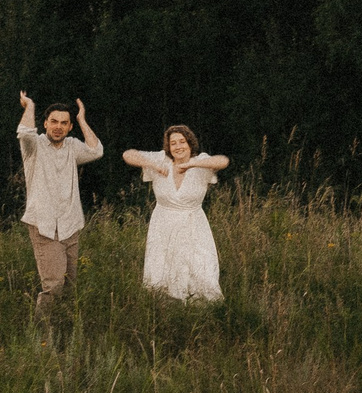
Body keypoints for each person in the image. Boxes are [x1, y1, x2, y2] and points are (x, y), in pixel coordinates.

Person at [16, 91, 102, 322]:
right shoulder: (34, 147)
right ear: (45, 123)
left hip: (70, 224)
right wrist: (30, 105)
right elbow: (24, 133)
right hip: (44, 225)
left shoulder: (73, 146)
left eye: (64, 123)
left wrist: (82, 120)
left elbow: (96, 150)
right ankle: (42, 336)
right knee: (53, 286)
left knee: (70, 286)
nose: (58, 127)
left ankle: (63, 330)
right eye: (53, 121)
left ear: (69, 127)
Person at [123, 124, 226, 301]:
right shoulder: (161, 159)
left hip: (193, 222)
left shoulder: (201, 161)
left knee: (198, 266)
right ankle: (165, 303)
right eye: (173, 143)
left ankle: (198, 303)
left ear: (190, 143)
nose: (178, 146)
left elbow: (223, 161)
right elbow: (127, 154)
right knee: (163, 266)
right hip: (163, 223)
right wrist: (151, 164)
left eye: (182, 142)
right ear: (168, 147)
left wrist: (192, 164)